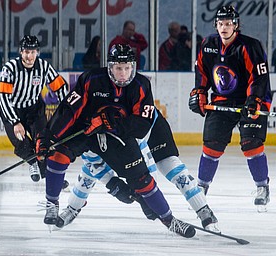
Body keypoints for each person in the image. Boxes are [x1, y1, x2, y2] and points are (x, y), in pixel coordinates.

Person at [36, 44, 196, 238]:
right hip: (86, 130)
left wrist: (111, 124)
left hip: (117, 137)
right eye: (118, 68)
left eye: (127, 68)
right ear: (110, 67)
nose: (123, 74)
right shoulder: (91, 79)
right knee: (58, 154)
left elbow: (142, 125)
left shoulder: (141, 85)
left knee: (142, 180)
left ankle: (169, 220)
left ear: (133, 67)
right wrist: (47, 137)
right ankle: (52, 204)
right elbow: (69, 110)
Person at [56, 108, 220, 232]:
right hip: (114, 132)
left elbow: (144, 161)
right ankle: (73, 207)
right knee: (88, 171)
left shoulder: (121, 123)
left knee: (170, 164)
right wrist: (113, 184)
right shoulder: (84, 130)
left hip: (149, 127)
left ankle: (204, 210)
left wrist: (147, 198)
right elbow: (92, 163)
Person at [188, 6, 272, 212]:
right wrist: (199, 91)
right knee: (211, 145)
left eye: (228, 23)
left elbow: (259, 76)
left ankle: (263, 187)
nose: (224, 27)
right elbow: (202, 72)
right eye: (220, 23)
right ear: (215, 25)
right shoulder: (208, 44)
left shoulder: (249, 46)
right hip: (221, 100)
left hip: (251, 100)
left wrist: (254, 100)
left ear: (236, 25)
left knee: (251, 144)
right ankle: (201, 188)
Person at [0, 35, 69, 182]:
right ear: (21, 52)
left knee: (42, 143)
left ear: (37, 52)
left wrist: (66, 111)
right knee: (21, 143)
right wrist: (15, 122)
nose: (29, 56)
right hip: (12, 110)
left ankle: (50, 176)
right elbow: (3, 97)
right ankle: (32, 162)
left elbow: (61, 87)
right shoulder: (10, 68)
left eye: (32, 52)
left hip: (34, 111)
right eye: (26, 52)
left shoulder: (44, 67)